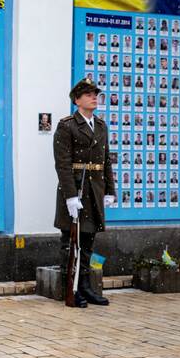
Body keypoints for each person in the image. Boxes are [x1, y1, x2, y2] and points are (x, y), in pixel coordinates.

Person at [53, 78, 114, 308]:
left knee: (88, 241)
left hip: (94, 190)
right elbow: (63, 163)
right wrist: (70, 196)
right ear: (77, 100)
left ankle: (86, 287)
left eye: (95, 94)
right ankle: (71, 287)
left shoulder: (100, 126)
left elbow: (106, 160)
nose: (93, 97)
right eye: (88, 94)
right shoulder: (66, 125)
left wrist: (110, 189)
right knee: (71, 242)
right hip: (76, 189)